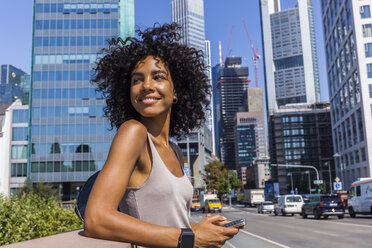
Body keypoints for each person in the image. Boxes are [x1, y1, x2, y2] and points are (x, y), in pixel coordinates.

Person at [84, 23, 242, 248]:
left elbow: (167, 219)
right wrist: (190, 238)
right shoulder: (133, 133)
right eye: (137, 80)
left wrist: (197, 229)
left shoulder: (175, 150)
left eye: (158, 77)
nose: (146, 86)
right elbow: (96, 219)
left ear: (176, 91)